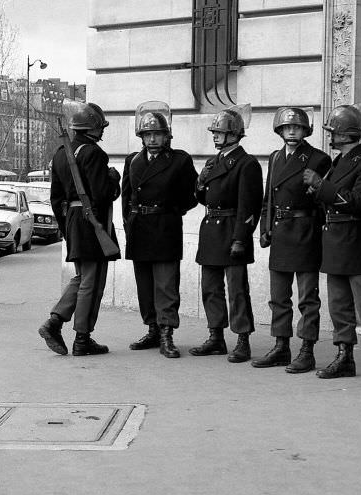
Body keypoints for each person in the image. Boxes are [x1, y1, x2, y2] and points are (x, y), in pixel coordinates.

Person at [301, 101, 361, 386]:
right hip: (334, 239)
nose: (331, 135)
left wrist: (322, 186)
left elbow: (359, 202)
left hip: (354, 238)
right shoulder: (338, 162)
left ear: (347, 133)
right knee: (338, 305)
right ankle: (345, 355)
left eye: (335, 131)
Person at [38, 101, 120, 356]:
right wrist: (113, 180)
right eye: (101, 127)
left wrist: (65, 228)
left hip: (73, 221)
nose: (103, 131)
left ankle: (54, 322)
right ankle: (82, 339)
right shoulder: (94, 153)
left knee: (82, 277)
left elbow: (55, 199)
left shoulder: (61, 153)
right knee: (91, 282)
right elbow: (102, 194)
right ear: (93, 127)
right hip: (91, 221)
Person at [252, 107, 331, 372]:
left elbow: (322, 200)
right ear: (280, 131)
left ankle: (307, 349)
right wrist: (264, 227)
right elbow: (268, 199)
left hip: (306, 229)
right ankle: (281, 346)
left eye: (297, 127)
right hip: (281, 231)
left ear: (306, 130)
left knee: (308, 297)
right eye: (287, 128)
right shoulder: (275, 158)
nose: (292, 131)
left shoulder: (318, 159)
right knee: (278, 296)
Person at [121, 101, 198, 359]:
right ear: (141, 137)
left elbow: (191, 197)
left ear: (167, 136)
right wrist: (129, 224)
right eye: (147, 134)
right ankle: (152, 329)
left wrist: (170, 210)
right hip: (140, 228)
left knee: (166, 285)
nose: (152, 139)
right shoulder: (132, 161)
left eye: (157, 134)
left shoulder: (180, 160)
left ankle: (167, 333)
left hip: (165, 227)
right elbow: (126, 197)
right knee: (145, 285)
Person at [189, 104, 263, 363]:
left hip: (232, 229)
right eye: (214, 132)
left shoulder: (247, 164)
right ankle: (216, 337)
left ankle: (242, 339)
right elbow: (202, 198)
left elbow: (249, 205)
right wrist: (199, 183)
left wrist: (241, 238)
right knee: (210, 287)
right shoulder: (212, 162)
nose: (215, 136)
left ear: (235, 135)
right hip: (211, 230)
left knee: (237, 289)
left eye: (220, 132)